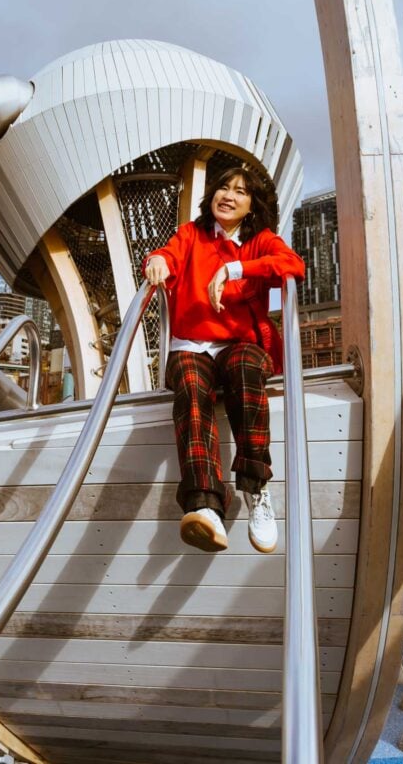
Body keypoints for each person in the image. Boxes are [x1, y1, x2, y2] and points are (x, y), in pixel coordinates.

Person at [144, 165, 304, 554]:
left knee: (247, 367)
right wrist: (158, 259)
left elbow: (293, 266)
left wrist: (234, 269)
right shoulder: (191, 234)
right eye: (223, 188)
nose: (229, 196)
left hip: (239, 344)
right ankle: (205, 505)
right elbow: (167, 255)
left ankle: (255, 488)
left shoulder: (261, 240)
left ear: (252, 205)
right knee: (189, 387)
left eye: (240, 192)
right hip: (191, 344)